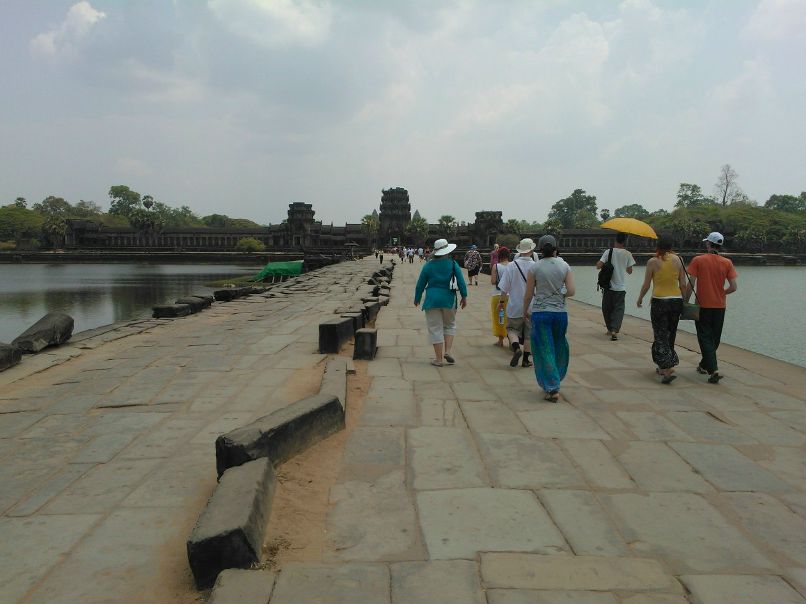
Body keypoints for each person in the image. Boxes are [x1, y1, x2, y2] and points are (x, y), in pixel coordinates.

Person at [522, 235, 575, 402]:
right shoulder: (564, 266)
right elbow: (572, 291)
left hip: (541, 313)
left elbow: (528, 294)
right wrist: (560, 293)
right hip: (560, 313)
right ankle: (556, 377)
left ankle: (552, 387)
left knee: (544, 349)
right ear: (555, 249)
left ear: (540, 249)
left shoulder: (535, 268)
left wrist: (525, 311)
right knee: (559, 346)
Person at [685, 232, 738, 384]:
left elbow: (691, 283)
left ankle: (713, 369)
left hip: (702, 305)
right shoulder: (727, 263)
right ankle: (704, 365)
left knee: (704, 337)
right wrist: (721, 293)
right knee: (714, 338)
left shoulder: (698, 260)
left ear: (708, 244)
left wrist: (685, 301)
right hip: (720, 306)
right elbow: (733, 287)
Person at [637, 235, 687, 384]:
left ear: (658, 246)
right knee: (671, 333)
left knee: (660, 334)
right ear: (671, 247)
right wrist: (684, 301)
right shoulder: (679, 260)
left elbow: (646, 284)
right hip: (676, 301)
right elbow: (683, 284)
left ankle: (666, 368)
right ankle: (664, 365)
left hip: (659, 301)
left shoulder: (652, 262)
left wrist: (640, 298)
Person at [414, 238, 468, 367]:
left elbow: (420, 284)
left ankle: (438, 359)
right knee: (449, 325)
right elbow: (461, 282)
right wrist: (464, 296)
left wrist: (417, 298)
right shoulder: (453, 264)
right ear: (447, 251)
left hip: (432, 300)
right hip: (449, 299)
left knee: (435, 329)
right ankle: (447, 351)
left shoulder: (428, 265)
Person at [498, 238, 536, 368]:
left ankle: (516, 348)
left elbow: (504, 287)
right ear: (531, 250)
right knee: (529, 334)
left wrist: (501, 301)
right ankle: (526, 360)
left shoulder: (511, 266)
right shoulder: (535, 266)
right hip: (531, 305)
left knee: (511, 329)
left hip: (515, 305)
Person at [597, 232, 636, 341]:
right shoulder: (628, 254)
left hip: (608, 286)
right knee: (619, 309)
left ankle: (610, 329)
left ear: (615, 240)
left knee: (606, 308)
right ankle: (615, 329)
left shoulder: (608, 252)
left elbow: (598, 266)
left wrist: (606, 264)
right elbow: (630, 271)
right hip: (621, 288)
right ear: (624, 241)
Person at [490, 246, 511, 347]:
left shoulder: (496, 266)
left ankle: (500, 340)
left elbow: (493, 281)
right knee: (510, 318)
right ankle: (512, 341)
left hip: (497, 295)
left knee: (500, 317)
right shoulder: (513, 265)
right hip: (510, 295)